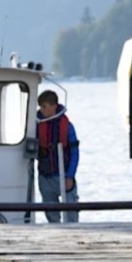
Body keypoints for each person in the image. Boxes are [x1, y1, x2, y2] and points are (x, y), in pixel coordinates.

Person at [34, 89, 79, 223]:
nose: (42, 110)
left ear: (54, 106)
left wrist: (70, 175)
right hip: (45, 176)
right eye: (41, 107)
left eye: (45, 106)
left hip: (64, 175)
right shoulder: (36, 126)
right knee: (50, 213)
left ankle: (74, 235)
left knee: (71, 212)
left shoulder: (68, 127)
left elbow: (75, 153)